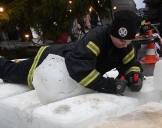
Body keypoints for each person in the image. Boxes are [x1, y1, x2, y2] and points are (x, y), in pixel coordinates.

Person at [0, 10, 143, 95]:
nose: (124, 45)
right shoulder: (96, 38)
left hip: (66, 71)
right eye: (121, 41)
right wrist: (110, 86)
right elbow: (80, 70)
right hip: (51, 63)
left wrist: (133, 76)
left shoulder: (126, 46)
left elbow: (130, 64)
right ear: (111, 33)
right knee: (11, 72)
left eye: (128, 42)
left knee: (15, 67)